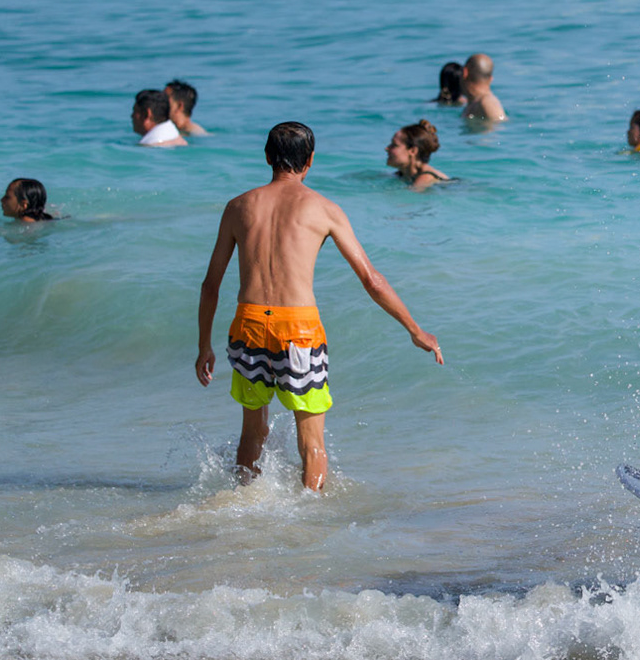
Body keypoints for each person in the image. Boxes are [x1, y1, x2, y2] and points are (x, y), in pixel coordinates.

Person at [196, 121, 442, 492]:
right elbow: (371, 280)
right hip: (299, 329)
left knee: (253, 430)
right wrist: (414, 329)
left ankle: (243, 502)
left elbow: (210, 285)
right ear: (310, 160)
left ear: (267, 157)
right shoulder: (324, 209)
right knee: (312, 442)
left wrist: (203, 346)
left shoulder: (238, 206)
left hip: (248, 324)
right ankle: (309, 521)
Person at [386, 121, 448, 190]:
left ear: (412, 151)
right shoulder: (402, 174)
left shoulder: (426, 177)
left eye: (394, 145)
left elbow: (411, 197)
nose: (386, 148)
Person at [461, 53, 505, 121]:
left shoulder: (487, 102)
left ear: (465, 72)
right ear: (491, 79)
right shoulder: (475, 103)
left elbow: (499, 125)